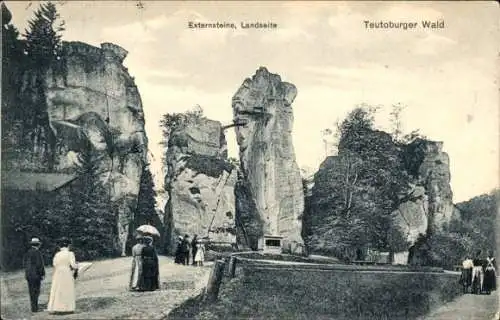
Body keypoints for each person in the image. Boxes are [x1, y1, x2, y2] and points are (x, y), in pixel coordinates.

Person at [47, 238, 78, 314]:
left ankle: (57, 307)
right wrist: (77, 266)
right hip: (66, 272)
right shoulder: (70, 254)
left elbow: (54, 264)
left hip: (58, 272)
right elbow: (73, 265)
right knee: (67, 289)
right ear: (68, 245)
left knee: (58, 289)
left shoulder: (57, 254)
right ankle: (67, 308)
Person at [23, 237, 45, 312]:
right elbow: (39, 264)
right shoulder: (37, 252)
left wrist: (27, 272)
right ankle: (35, 308)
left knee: (31, 291)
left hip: (29, 274)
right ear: (38, 245)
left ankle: (33, 307)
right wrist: (42, 273)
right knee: (36, 291)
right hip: (36, 274)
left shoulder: (27, 252)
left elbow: (24, 263)